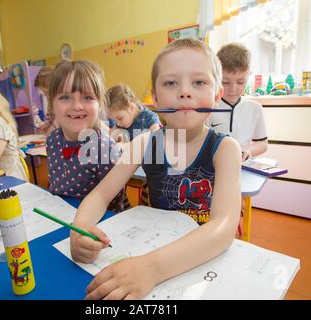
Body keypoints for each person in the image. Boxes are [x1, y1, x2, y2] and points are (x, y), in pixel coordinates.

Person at [70, 39, 242, 300]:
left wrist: (150, 268)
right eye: (171, 83)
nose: (184, 92)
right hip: (153, 257)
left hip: (202, 261)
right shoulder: (144, 143)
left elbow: (224, 227)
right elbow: (100, 195)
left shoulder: (226, 149)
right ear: (155, 97)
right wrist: (80, 227)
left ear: (217, 94)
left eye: (199, 82)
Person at [46, 59, 128, 212]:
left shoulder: (105, 149)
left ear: (100, 104)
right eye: (65, 97)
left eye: (88, 97)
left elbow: (115, 204)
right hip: (58, 219)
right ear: (51, 104)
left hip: (97, 227)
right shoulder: (52, 141)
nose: (77, 106)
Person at [206, 43, 268, 161]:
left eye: (240, 82)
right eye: (225, 82)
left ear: (249, 76)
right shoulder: (208, 107)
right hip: (213, 166)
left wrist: (248, 150)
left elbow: (263, 144)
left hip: (243, 166)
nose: (233, 89)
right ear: (216, 77)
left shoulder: (255, 108)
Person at [34, 66, 59, 134]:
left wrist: (51, 128)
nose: (44, 95)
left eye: (46, 92)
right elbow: (50, 118)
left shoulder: (60, 102)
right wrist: (47, 124)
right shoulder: (50, 100)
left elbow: (60, 119)